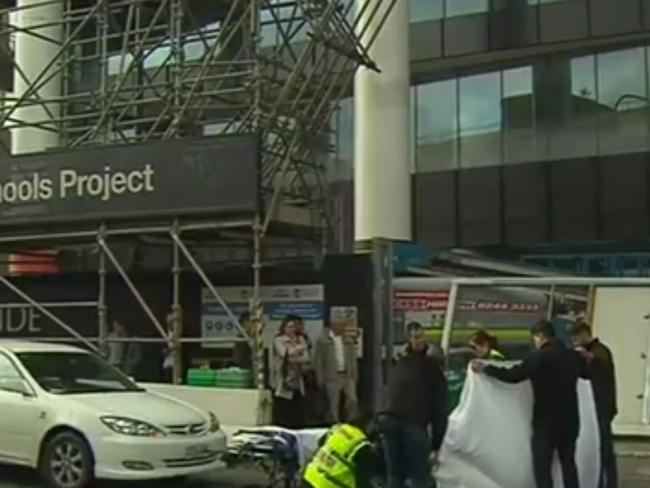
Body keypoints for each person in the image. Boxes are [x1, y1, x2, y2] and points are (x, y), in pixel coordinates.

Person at [473, 320, 588, 488]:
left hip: (546, 421)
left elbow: (514, 376)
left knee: (542, 467)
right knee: (568, 463)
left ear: (541, 336)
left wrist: (486, 369)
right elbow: (587, 373)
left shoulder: (539, 356)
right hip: (571, 419)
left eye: (535, 338)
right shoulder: (572, 355)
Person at [380, 322, 448, 488]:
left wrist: (438, 438)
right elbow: (439, 405)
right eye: (415, 337)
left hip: (401, 422)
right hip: (403, 422)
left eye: (421, 337)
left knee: (403, 473)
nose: (419, 341)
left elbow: (439, 404)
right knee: (409, 474)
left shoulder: (411, 364)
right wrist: (438, 440)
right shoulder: (410, 364)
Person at [569, 321, 618, 488]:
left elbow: (601, 364)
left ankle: (608, 482)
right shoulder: (589, 353)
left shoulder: (600, 351)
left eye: (576, 338)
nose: (574, 342)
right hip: (593, 407)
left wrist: (588, 358)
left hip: (602, 406)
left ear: (585, 334)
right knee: (597, 447)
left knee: (604, 448)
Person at [303, 408, 384, 488]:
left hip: (308, 478)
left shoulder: (339, 429)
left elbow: (320, 444)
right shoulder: (361, 446)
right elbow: (364, 482)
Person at [313, 319, 359, 424]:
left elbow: (353, 359)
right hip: (331, 376)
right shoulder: (323, 341)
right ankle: (335, 424)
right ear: (333, 326)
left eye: (344, 326)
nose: (343, 328)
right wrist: (320, 378)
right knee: (333, 404)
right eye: (341, 325)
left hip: (347, 375)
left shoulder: (348, 340)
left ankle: (351, 422)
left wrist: (355, 375)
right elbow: (318, 361)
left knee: (352, 399)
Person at [273, 315, 311, 428]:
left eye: (293, 327)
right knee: (284, 402)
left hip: (298, 377)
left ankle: (297, 425)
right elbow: (283, 353)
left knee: (297, 402)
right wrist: (299, 349)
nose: (291, 329)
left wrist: (293, 357)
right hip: (284, 375)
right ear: (283, 328)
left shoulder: (301, 339)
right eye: (289, 327)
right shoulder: (278, 339)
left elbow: (306, 358)